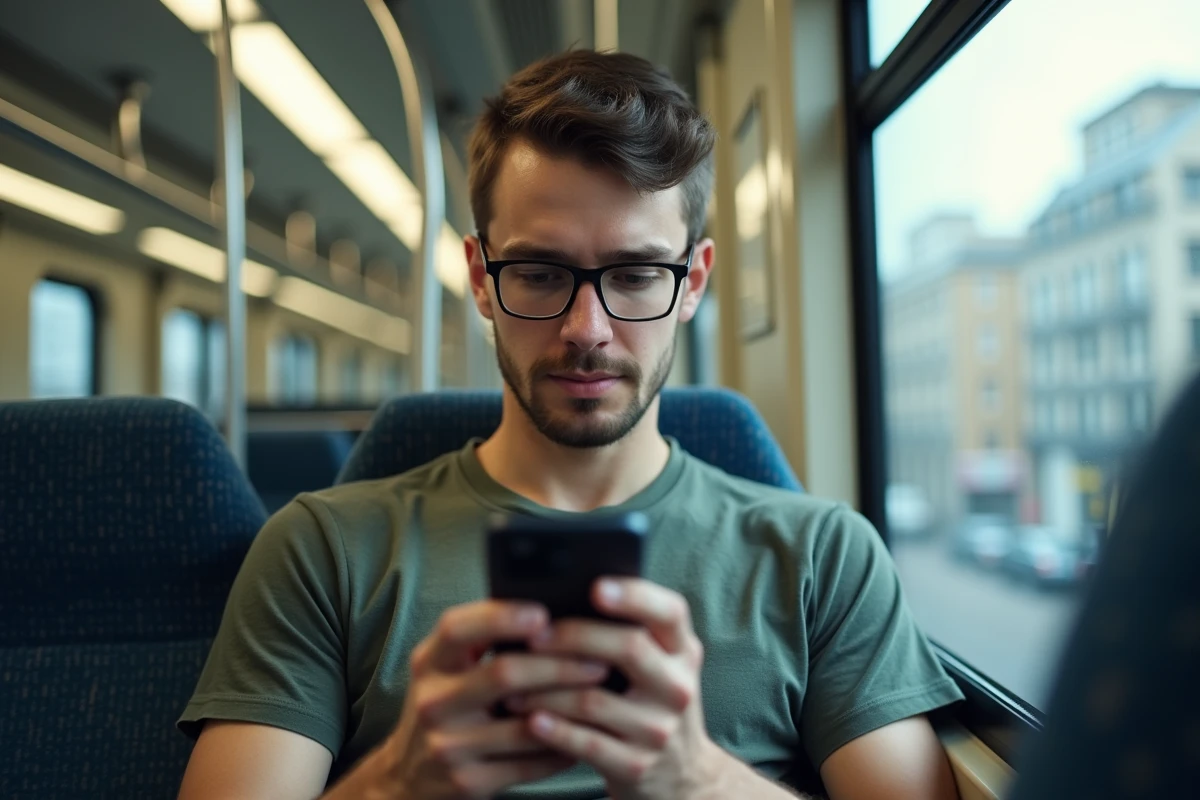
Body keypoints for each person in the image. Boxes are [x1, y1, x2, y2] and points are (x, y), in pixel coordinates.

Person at [177, 49, 963, 800]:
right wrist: (402, 782)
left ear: (693, 282)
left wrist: (698, 781)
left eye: (635, 274)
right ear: (481, 279)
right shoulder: (322, 551)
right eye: (540, 273)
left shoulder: (824, 558)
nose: (587, 328)